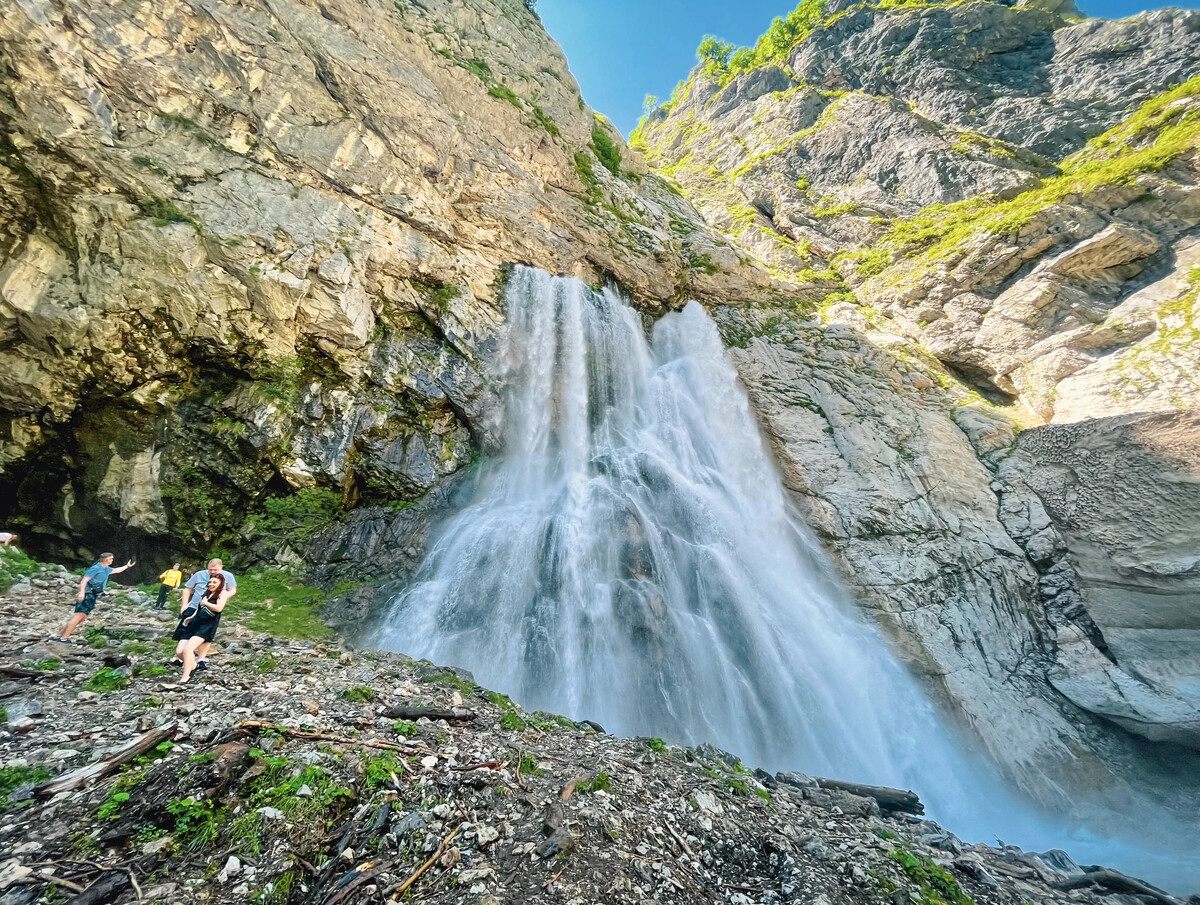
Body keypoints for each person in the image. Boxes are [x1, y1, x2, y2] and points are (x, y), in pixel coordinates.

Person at [55, 552, 136, 641]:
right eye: (111, 558)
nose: (112, 560)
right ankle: (64, 638)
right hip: (87, 594)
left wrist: (127, 566)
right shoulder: (95, 568)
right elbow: (84, 580)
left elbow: (116, 570)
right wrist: (82, 592)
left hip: (93, 595)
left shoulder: (106, 569)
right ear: (106, 560)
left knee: (81, 617)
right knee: (79, 616)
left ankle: (60, 635)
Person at [179, 559, 236, 671]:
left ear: (221, 567)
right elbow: (187, 589)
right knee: (186, 632)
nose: (213, 572)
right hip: (194, 607)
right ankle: (188, 656)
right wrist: (184, 605)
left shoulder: (228, 576)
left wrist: (223, 597)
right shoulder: (199, 575)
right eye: (211, 569)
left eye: (216, 569)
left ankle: (201, 660)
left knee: (205, 634)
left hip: (211, 608)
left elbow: (233, 590)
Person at [172, 574, 228, 683]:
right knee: (179, 652)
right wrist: (190, 618)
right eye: (210, 582)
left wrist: (206, 602)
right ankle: (194, 665)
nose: (211, 584)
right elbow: (199, 608)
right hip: (195, 622)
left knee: (188, 649)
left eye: (214, 582)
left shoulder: (222, 593)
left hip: (207, 626)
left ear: (220, 584)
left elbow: (219, 608)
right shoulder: (206, 593)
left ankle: (186, 676)